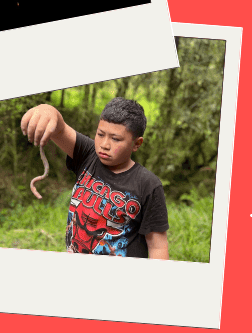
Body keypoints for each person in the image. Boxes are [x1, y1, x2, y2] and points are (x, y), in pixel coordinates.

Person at [20, 98, 169, 259]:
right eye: (100, 134)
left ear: (136, 144)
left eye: (116, 139)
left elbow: (157, 246)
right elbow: (60, 129)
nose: (104, 144)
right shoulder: (88, 155)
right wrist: (47, 109)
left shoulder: (148, 184)